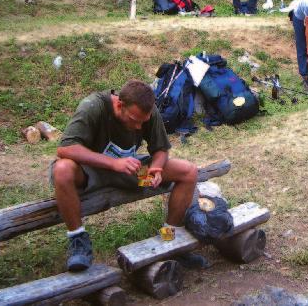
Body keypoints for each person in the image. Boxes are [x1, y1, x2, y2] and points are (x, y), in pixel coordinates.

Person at [49, 80, 198, 272]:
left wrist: (156, 169)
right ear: (119, 105)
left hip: (131, 171)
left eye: (142, 122)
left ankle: (169, 238)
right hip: (90, 173)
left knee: (188, 171)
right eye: (134, 120)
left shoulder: (147, 112)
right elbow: (65, 148)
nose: (138, 127)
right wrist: (113, 163)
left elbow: (160, 149)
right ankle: (78, 242)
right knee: (62, 169)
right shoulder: (93, 106)